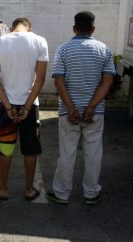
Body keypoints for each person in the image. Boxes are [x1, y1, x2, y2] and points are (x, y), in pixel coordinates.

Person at [46, 11, 115, 205]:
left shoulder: (63, 50)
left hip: (68, 112)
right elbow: (107, 81)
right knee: (93, 153)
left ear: (74, 28)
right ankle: (91, 194)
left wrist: (70, 108)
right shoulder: (104, 50)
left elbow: (59, 81)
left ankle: (61, 194)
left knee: (67, 153)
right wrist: (92, 106)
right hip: (96, 113)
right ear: (93, 29)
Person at [0, 18, 49, 201]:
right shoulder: (39, 41)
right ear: (29, 28)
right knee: (30, 149)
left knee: (5, 147)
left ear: (12, 28)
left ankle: (3, 189)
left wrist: (7, 106)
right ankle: (29, 190)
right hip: (30, 105)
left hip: (6, 105)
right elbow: (41, 79)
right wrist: (27, 107)